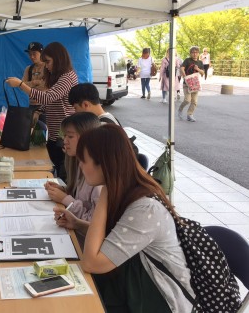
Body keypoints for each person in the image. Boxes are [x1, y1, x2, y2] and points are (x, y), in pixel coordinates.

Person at [55, 124, 194, 312]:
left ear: (103, 164)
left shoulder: (146, 209)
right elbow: (116, 237)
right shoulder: (124, 189)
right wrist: (78, 223)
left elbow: (91, 263)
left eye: (83, 160)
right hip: (128, 284)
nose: (79, 165)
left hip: (160, 298)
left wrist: (105, 192)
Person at [6, 42, 78, 180]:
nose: (47, 66)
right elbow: (51, 101)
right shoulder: (56, 76)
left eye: (48, 62)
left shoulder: (68, 77)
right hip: (54, 133)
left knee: (64, 170)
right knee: (55, 162)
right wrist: (39, 111)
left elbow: (47, 97)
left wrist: (21, 84)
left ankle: (66, 196)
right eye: (45, 62)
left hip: (63, 133)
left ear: (59, 59)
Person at [46, 112, 102, 247]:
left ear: (87, 138)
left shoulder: (98, 178)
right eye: (64, 136)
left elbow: (92, 222)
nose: (65, 141)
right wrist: (64, 190)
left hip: (85, 242)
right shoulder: (78, 162)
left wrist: (65, 198)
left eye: (70, 136)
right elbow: (81, 198)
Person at [178, 46, 205, 122]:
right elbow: (182, 68)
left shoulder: (200, 62)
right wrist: (184, 76)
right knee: (187, 100)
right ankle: (180, 109)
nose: (195, 54)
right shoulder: (187, 60)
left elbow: (203, 73)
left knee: (194, 101)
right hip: (187, 83)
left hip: (195, 84)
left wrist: (197, 69)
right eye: (193, 52)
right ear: (190, 53)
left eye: (196, 52)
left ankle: (190, 115)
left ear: (198, 53)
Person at [22, 42, 47, 116]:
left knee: (45, 127)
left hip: (46, 105)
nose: (32, 56)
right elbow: (22, 86)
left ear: (42, 53)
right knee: (31, 127)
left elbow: (47, 86)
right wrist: (35, 82)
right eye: (30, 54)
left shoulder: (48, 67)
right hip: (32, 106)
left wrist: (29, 86)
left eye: (34, 54)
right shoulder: (28, 69)